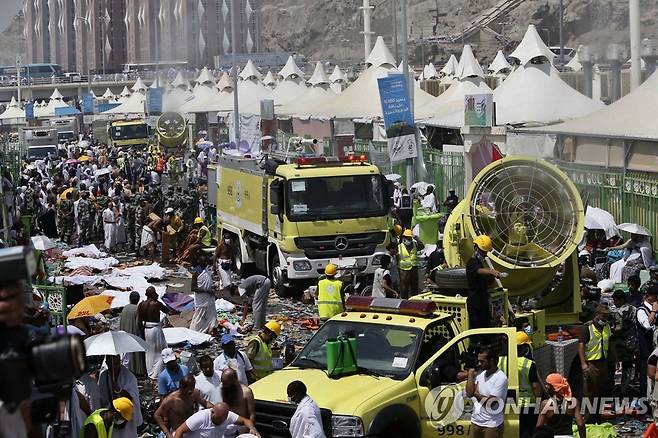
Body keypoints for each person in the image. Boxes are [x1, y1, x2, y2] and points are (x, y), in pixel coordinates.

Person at [578, 304, 611, 423]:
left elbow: (609, 342)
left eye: (607, 315)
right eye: (604, 315)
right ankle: (588, 419)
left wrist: (616, 358)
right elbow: (581, 345)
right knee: (590, 392)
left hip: (603, 362)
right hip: (591, 363)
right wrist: (583, 364)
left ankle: (597, 417)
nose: (606, 318)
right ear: (597, 315)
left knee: (600, 391)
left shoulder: (607, 326)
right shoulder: (587, 327)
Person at [465, 346, 508, 438]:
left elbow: (491, 404)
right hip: (476, 421)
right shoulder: (481, 374)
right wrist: (470, 374)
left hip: (492, 424)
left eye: (482, 361)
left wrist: (475, 393)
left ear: (492, 361)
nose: (479, 364)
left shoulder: (500, 378)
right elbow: (469, 393)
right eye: (479, 361)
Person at [98, 355, 143, 438]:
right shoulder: (103, 376)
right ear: (107, 363)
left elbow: (133, 398)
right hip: (111, 418)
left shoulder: (129, 377)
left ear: (119, 361)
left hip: (126, 418)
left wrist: (119, 390)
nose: (113, 367)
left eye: (115, 363)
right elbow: (101, 397)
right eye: (110, 364)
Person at [138, 286, 176, 378]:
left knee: (149, 352)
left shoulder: (141, 305)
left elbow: (139, 321)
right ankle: (157, 372)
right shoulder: (156, 304)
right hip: (155, 330)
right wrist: (158, 299)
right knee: (159, 352)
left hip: (146, 329)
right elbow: (167, 310)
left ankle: (150, 371)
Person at [466, 235, 501, 332]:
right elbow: (478, 271)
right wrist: (492, 271)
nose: (485, 254)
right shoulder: (471, 262)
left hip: (483, 302)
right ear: (476, 248)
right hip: (475, 304)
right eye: (483, 251)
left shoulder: (480, 262)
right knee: (478, 331)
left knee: (486, 328)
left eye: (486, 252)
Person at [536, 373, 586, 438]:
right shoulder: (573, 402)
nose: (546, 386)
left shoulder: (545, 404)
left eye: (548, 384)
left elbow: (539, 427)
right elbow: (580, 424)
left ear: (554, 387)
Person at [174, 402, 260, 438]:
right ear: (212, 412)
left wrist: (252, 428)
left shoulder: (228, 416)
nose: (220, 422)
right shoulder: (200, 417)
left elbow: (246, 421)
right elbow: (179, 431)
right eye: (218, 419)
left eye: (223, 420)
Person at [514, 332, 543, 438]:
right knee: (527, 432)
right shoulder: (529, 364)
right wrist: (540, 404)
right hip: (528, 405)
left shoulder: (502, 361)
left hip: (509, 403)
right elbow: (535, 387)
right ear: (524, 347)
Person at [610, 289, 637, 396]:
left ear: (621, 300)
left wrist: (610, 330)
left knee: (617, 366)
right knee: (628, 367)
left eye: (615, 301)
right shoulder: (633, 308)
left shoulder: (620, 311)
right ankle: (625, 387)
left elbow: (618, 328)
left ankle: (617, 388)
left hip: (620, 344)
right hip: (630, 343)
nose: (614, 303)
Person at [638, 286, 658, 403]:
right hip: (645, 348)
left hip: (655, 349)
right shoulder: (642, 310)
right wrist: (654, 311)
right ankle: (645, 404)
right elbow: (647, 325)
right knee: (646, 379)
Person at [119, 291, 146, 376]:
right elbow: (138, 323)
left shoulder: (125, 308)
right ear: (137, 300)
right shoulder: (137, 309)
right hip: (134, 334)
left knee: (127, 354)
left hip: (124, 334)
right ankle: (137, 371)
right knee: (136, 355)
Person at [221, 368, 256, 432]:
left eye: (226, 383)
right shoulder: (224, 390)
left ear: (233, 380)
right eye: (223, 383)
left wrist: (249, 428)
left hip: (242, 426)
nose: (224, 386)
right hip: (227, 426)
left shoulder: (246, 392)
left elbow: (252, 414)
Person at [189, 255, 217, 334]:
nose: (206, 263)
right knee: (199, 320)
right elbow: (193, 288)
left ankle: (212, 331)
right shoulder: (196, 273)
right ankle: (195, 333)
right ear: (200, 262)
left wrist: (212, 286)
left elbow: (207, 282)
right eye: (204, 262)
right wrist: (206, 290)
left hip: (210, 300)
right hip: (201, 301)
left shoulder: (207, 271)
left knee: (212, 319)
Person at [397, 229, 424, 298]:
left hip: (413, 269)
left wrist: (417, 239)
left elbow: (422, 246)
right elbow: (396, 258)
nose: (409, 239)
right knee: (404, 288)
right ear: (404, 238)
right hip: (404, 270)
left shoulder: (415, 245)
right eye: (407, 237)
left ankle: (415, 301)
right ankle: (404, 300)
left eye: (410, 237)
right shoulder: (399, 247)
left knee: (414, 287)